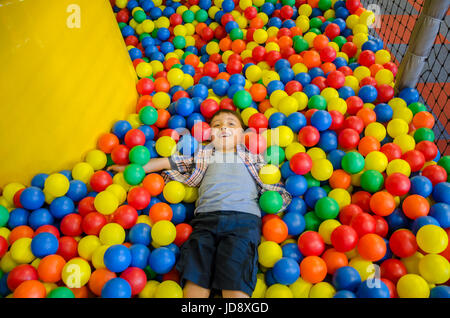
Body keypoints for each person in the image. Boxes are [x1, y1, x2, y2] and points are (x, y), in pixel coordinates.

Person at [108, 109, 291, 298]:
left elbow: (275, 187)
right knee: (195, 284)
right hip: (205, 221)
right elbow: (165, 162)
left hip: (242, 221)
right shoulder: (204, 155)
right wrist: (131, 169)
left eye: (231, 124)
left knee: (235, 284)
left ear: (244, 135)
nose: (223, 128)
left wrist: (278, 200)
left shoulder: (254, 158)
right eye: (217, 125)